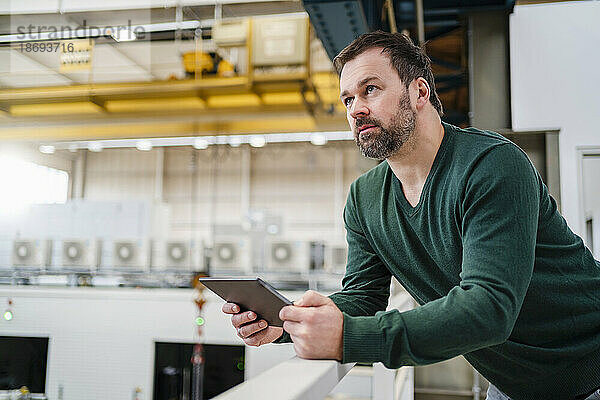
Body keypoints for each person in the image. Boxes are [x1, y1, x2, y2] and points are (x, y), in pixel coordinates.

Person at [222, 31, 600, 400]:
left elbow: (490, 308)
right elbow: (363, 298)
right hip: (517, 385)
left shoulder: (491, 164)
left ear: (419, 92)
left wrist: (348, 339)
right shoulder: (364, 198)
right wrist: (286, 322)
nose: (356, 109)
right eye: (348, 99)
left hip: (591, 369)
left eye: (370, 89)